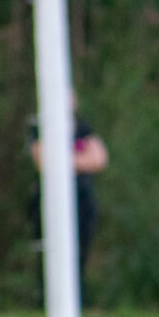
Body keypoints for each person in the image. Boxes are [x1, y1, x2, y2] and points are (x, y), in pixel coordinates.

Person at [28, 98, 109, 297]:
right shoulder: (39, 129)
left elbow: (99, 159)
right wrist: (80, 161)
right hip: (48, 199)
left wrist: (62, 160)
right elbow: (43, 161)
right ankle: (46, 297)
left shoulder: (82, 128)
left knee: (80, 249)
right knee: (50, 249)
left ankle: (78, 297)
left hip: (82, 198)